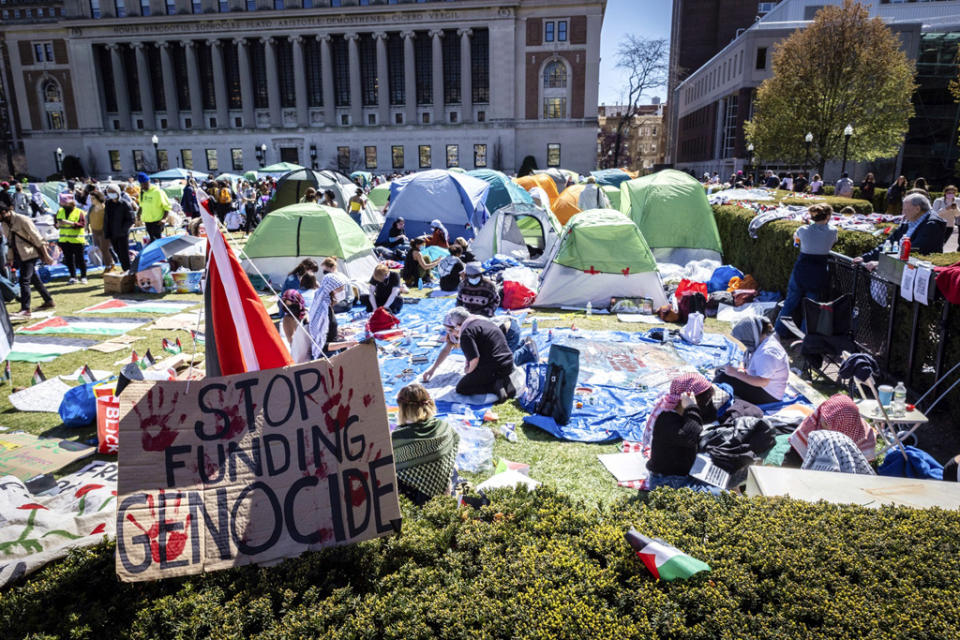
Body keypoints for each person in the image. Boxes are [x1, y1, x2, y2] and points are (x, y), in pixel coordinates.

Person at [644, 373, 723, 495]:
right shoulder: (666, 420)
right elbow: (690, 436)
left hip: (682, 475)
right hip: (667, 483)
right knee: (723, 495)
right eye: (705, 401)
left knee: (724, 477)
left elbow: (708, 418)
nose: (707, 404)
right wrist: (691, 406)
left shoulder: (681, 414)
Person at [422, 307, 516, 400]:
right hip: (508, 363)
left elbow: (474, 359)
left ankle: (494, 385)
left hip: (495, 366)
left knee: (462, 388)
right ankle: (503, 379)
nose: (451, 333)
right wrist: (432, 369)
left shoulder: (466, 333)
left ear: (458, 325)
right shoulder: (482, 322)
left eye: (451, 330)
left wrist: (468, 371)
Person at [775, 204, 838, 337]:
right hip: (818, 272)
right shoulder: (833, 231)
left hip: (801, 270)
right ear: (828, 216)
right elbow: (832, 242)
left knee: (789, 303)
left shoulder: (802, 229)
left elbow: (796, 241)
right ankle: (804, 338)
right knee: (811, 308)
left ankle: (777, 332)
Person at [391, 383, 459, 506]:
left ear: (403, 408)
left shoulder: (398, 438)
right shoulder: (443, 426)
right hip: (446, 487)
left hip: (422, 499)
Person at [783, 394, 877, 468]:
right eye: (823, 417)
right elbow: (792, 458)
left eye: (827, 422)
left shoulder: (865, 437)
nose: (821, 421)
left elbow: (860, 470)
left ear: (841, 427)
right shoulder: (814, 422)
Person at [715, 317, 789, 405]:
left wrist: (736, 373)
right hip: (762, 386)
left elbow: (763, 381)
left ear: (751, 334)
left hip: (769, 395)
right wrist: (741, 370)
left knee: (722, 378)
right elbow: (748, 360)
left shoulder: (767, 353)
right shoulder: (763, 341)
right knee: (721, 371)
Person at [0, 200, 55, 318]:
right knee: (34, 279)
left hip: (30, 253)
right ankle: (48, 300)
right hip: (19, 254)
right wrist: (9, 258)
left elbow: (37, 238)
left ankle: (25, 309)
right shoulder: (4, 224)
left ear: (4, 212)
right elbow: (9, 243)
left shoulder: (22, 219)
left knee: (24, 280)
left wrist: (46, 255)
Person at [857, 193, 944, 266]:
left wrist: (882, 264)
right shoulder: (910, 220)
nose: (902, 213)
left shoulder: (931, 225)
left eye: (905, 209)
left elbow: (915, 252)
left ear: (917, 209)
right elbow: (889, 242)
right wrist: (865, 258)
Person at [306, 271, 358, 361]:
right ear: (330, 291)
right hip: (327, 357)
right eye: (340, 289)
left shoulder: (327, 305)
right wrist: (347, 344)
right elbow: (321, 347)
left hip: (333, 349)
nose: (343, 292)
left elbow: (327, 330)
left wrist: (339, 331)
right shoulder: (322, 312)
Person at [55, 192, 87, 284]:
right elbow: (56, 224)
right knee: (69, 260)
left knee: (80, 259)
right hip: (64, 240)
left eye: (64, 203)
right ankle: (73, 277)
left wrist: (69, 223)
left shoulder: (79, 212)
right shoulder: (59, 211)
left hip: (77, 240)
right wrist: (57, 225)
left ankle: (83, 276)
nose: (62, 205)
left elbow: (82, 224)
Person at [103, 184, 135, 272]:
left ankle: (128, 270)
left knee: (124, 253)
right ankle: (125, 269)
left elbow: (131, 219)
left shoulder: (125, 204)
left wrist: (123, 230)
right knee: (117, 252)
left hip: (122, 234)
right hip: (112, 233)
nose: (111, 194)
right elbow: (106, 218)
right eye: (109, 192)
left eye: (112, 192)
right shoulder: (108, 203)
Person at [85, 189, 114, 271]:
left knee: (105, 249)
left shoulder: (105, 208)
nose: (91, 200)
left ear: (98, 198)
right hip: (95, 232)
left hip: (104, 232)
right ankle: (111, 264)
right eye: (90, 198)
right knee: (101, 249)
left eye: (93, 198)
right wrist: (86, 226)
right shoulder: (91, 208)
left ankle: (108, 267)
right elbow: (88, 217)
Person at [138, 172, 171, 243]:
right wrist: (138, 215)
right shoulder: (142, 193)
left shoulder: (158, 192)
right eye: (142, 185)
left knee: (157, 241)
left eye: (145, 184)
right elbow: (141, 205)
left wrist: (164, 219)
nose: (144, 186)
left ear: (149, 181)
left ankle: (161, 253)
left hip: (158, 221)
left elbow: (167, 206)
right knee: (152, 241)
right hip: (147, 221)